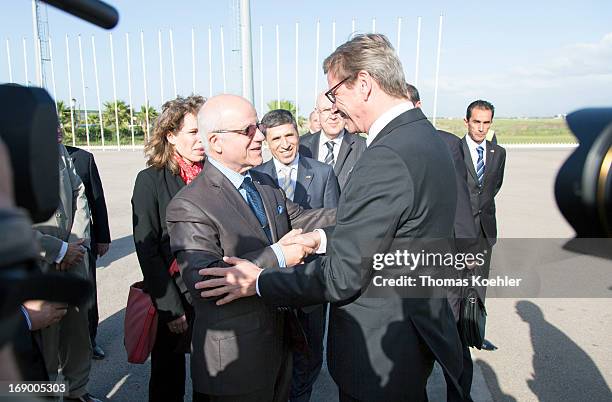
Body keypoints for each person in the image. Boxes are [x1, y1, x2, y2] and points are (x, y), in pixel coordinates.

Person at [197, 34, 464, 402]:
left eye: (336, 93)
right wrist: (321, 239)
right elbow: (391, 233)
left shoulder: (386, 155)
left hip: (379, 353)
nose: (334, 106)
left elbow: (342, 275)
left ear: (365, 85)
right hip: (410, 333)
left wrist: (260, 281)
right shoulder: (426, 138)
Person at [165, 94, 335, 402]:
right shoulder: (190, 205)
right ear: (215, 142)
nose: (259, 136)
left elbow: (307, 218)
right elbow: (207, 282)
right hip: (234, 367)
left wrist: (369, 209)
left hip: (280, 350)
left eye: (256, 126)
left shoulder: (262, 183)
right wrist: (280, 254)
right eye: (248, 130)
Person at [253, 109, 339, 402]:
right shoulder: (256, 177)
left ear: (298, 135)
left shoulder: (324, 173)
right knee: (278, 349)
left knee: (311, 349)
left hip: (311, 280)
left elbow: (332, 221)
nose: (285, 143)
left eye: (289, 135)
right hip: (273, 278)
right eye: (276, 138)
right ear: (267, 141)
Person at [407, 84, 481, 401]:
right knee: (413, 352)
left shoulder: (447, 144)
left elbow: (461, 208)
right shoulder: (384, 146)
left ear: (417, 105)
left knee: (452, 347)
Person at [131, 95, 205, 402]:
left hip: (214, 291)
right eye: (193, 132)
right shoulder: (150, 180)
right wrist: (171, 308)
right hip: (173, 295)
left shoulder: (216, 174)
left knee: (212, 373)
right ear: (171, 136)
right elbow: (147, 250)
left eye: (205, 130)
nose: (202, 139)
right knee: (167, 377)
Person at [33, 127, 100, 402]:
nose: (58, 128)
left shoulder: (59, 151)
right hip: (36, 266)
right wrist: (57, 251)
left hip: (73, 258)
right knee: (44, 343)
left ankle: (77, 392)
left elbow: (78, 192)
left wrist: (75, 243)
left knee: (77, 333)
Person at [461, 100, 506, 352]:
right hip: (459, 231)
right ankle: (456, 332)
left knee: (479, 285)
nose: (480, 128)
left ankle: (475, 333)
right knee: (456, 285)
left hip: (485, 231)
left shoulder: (498, 153)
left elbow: (493, 187)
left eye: (486, 123)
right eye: (476, 122)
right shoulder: (455, 150)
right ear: (466, 121)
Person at [65, 145, 111, 360]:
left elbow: (96, 199)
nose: (56, 129)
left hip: (83, 240)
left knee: (88, 293)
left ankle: (90, 340)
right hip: (50, 243)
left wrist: (103, 237)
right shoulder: (30, 155)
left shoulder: (83, 158)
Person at [299, 93, 366, 190]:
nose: (333, 117)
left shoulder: (363, 146)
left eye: (337, 111)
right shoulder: (301, 146)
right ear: (317, 113)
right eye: (326, 110)